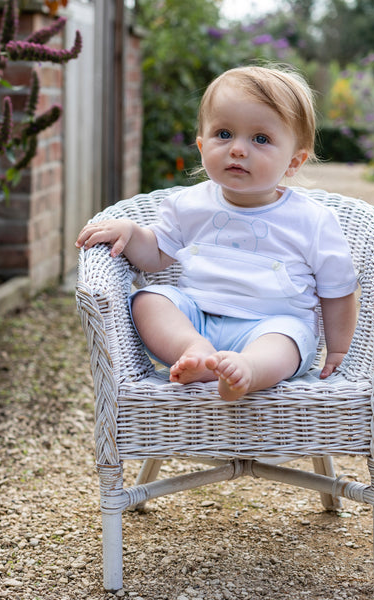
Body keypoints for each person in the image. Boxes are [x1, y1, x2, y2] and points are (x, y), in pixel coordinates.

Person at [76, 65, 358, 402]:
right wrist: (132, 233)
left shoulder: (311, 220)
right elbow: (155, 256)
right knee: (148, 300)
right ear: (201, 144)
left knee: (291, 339)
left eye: (261, 139)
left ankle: (248, 371)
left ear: (294, 162)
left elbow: (337, 291)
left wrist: (340, 350)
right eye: (224, 134)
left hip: (270, 326)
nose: (238, 149)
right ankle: (195, 352)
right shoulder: (188, 205)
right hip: (197, 319)